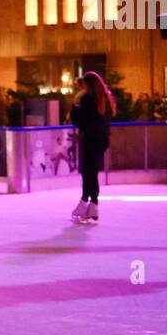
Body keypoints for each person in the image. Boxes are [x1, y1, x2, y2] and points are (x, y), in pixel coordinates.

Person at [69, 71, 115, 222]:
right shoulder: (106, 99)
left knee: (87, 172)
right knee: (92, 171)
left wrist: (75, 105)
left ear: (87, 85)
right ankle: (91, 204)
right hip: (102, 140)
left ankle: (86, 201)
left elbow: (79, 121)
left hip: (89, 140)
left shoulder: (88, 99)